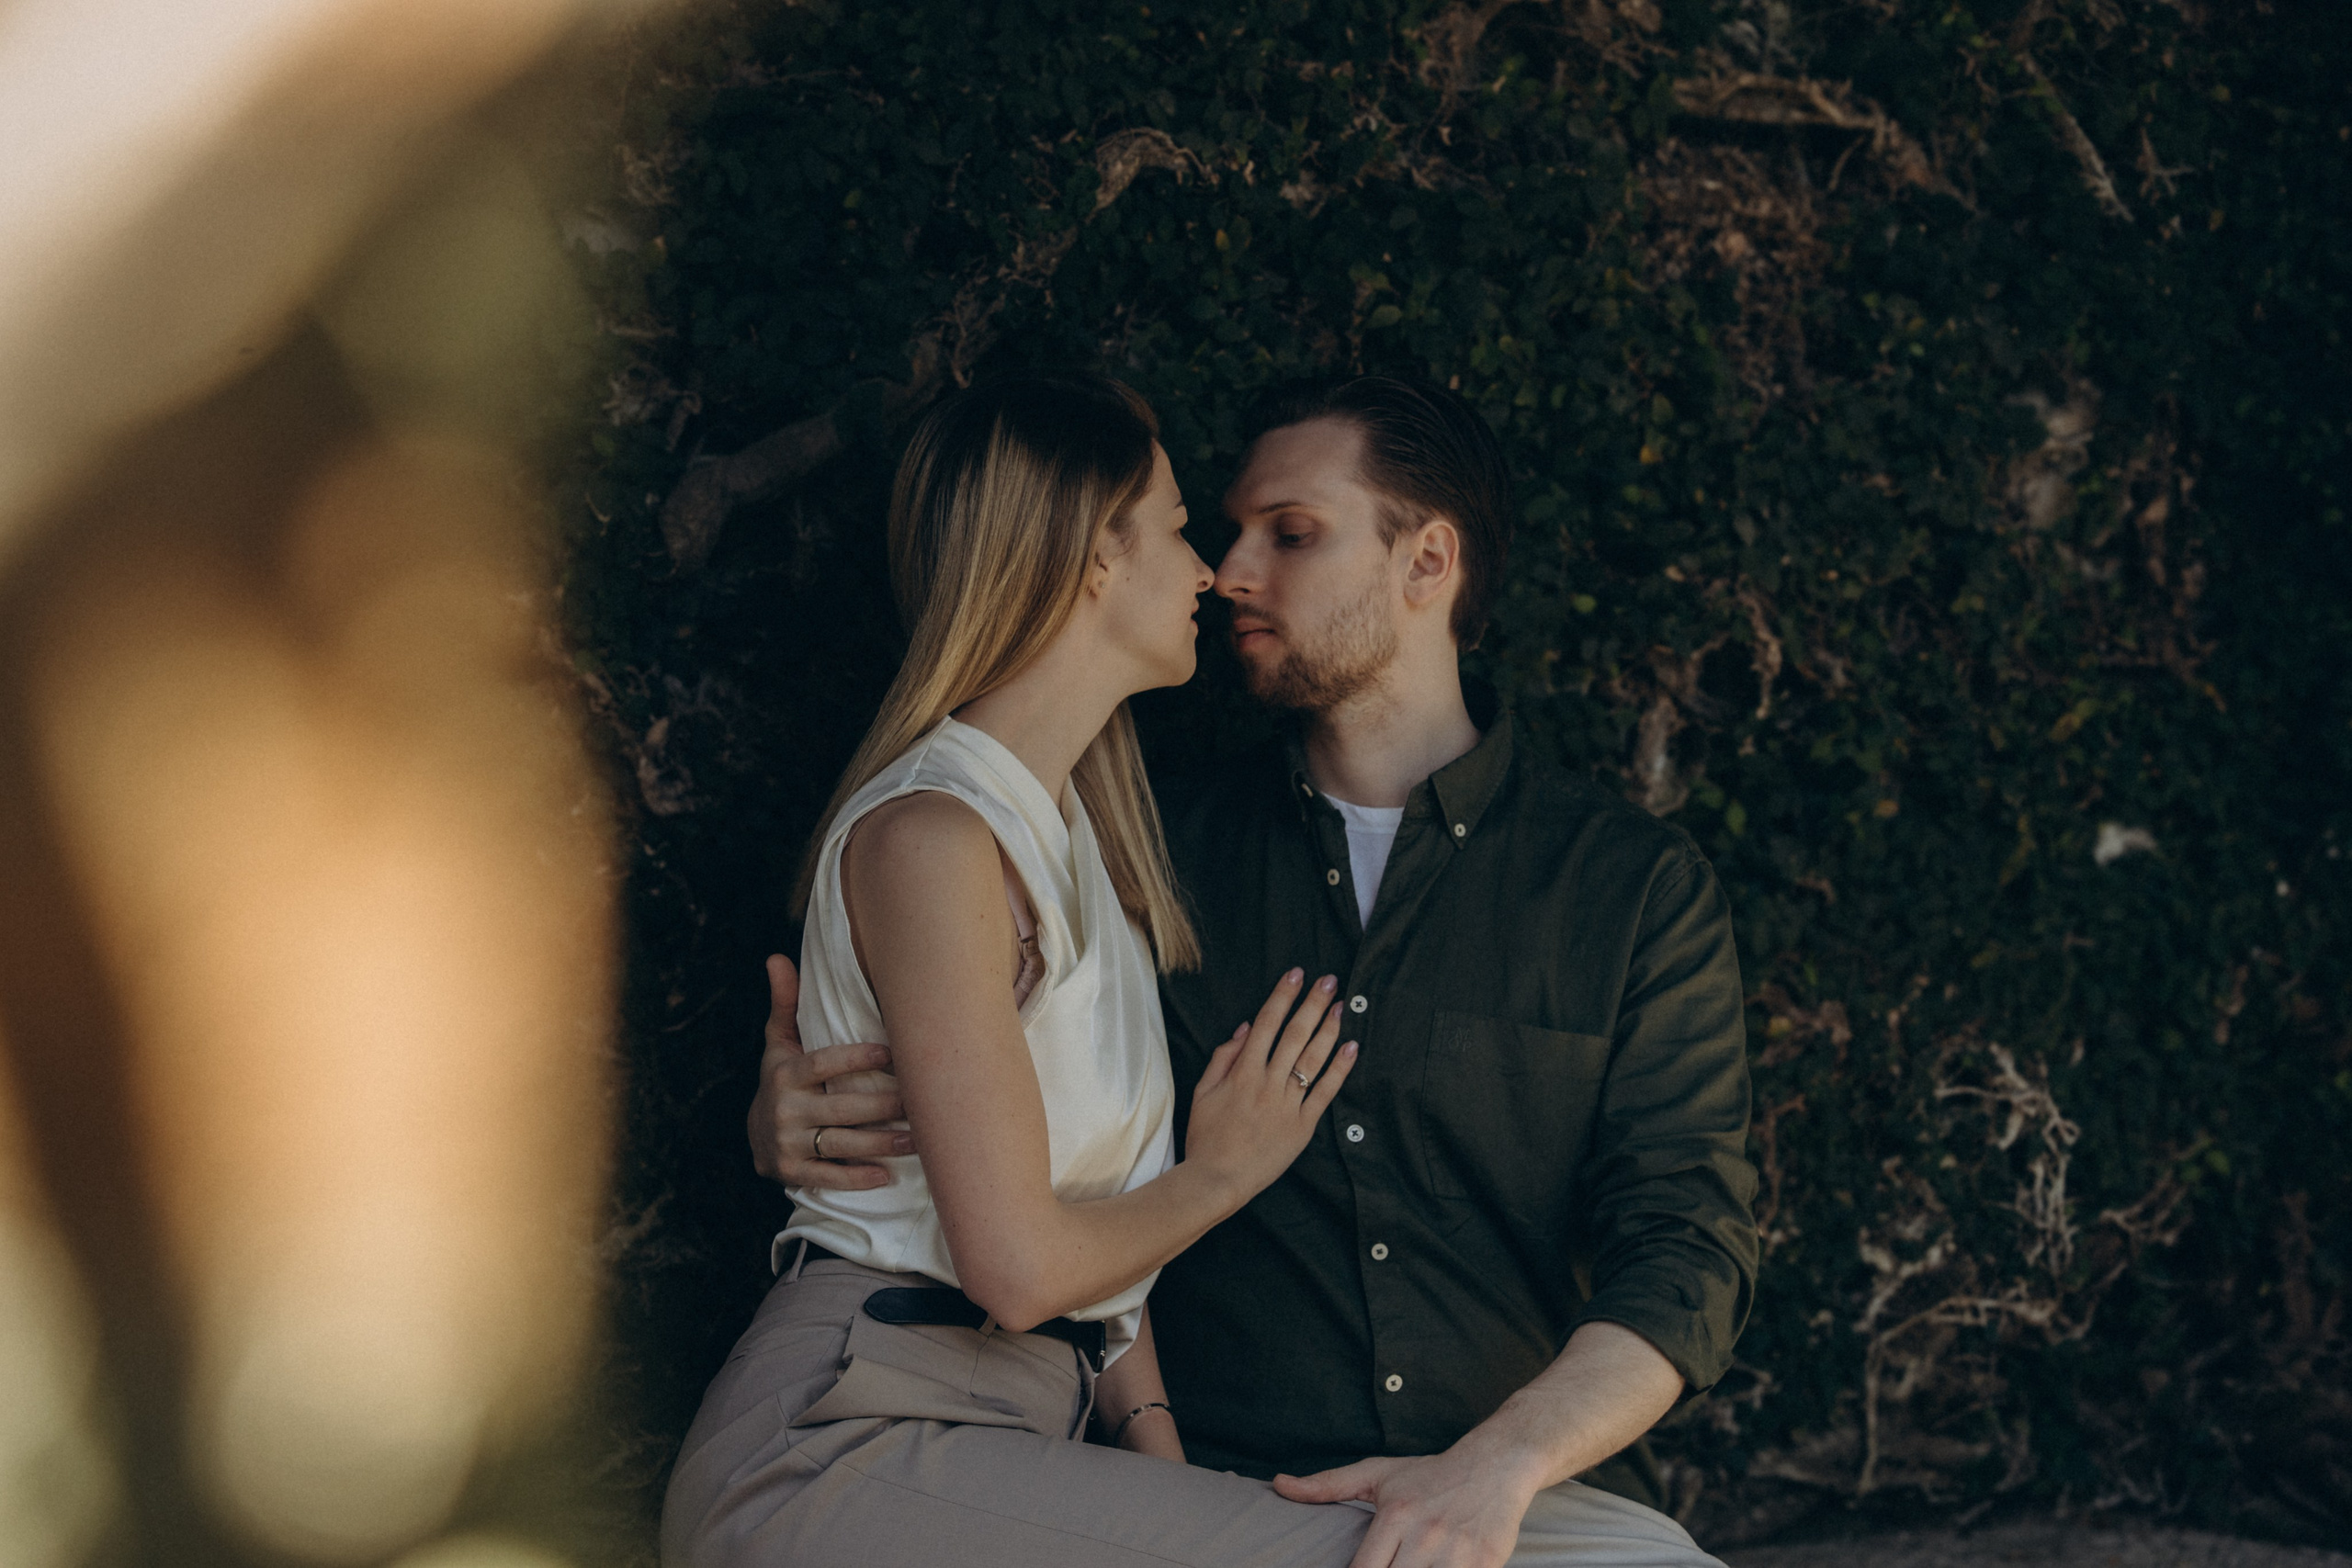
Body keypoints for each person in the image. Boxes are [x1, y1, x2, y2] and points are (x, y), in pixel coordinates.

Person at [753, 376, 1758, 1568]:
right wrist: (801, 1115)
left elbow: (1686, 1248)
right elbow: (994, 1108)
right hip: (1206, 1485)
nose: (1229, 571)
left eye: (1291, 535)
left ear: (1426, 563)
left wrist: (1500, 1465)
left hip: (1512, 1490)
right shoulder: (1138, 854)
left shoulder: (1629, 891)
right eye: (1218, 532)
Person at [663, 369, 1390, 1568]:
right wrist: (1225, 1175)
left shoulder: (1076, 848)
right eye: (1172, 530)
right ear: (1092, 553)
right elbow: (1016, 1268)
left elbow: (1090, 1261)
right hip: (844, 1441)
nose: (1206, 570)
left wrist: (1168, 1473)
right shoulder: (934, 840)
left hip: (1007, 1440)